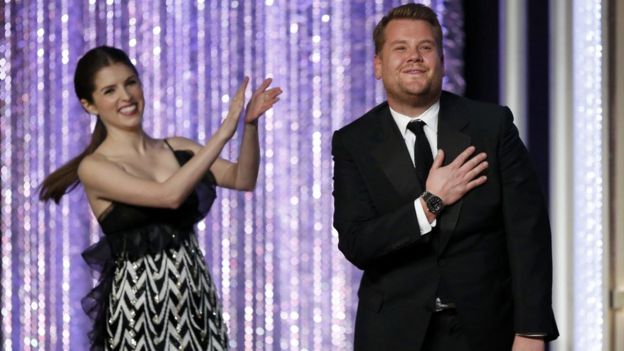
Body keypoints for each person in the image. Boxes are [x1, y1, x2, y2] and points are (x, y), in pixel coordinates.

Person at [331, 4, 558, 351]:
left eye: (425, 47)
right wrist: (429, 204)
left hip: (485, 332)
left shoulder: (491, 126)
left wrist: (532, 330)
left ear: (441, 58)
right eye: (400, 48)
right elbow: (357, 242)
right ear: (378, 65)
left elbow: (529, 234)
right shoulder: (353, 142)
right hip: (393, 335)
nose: (414, 57)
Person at [39, 46, 281, 350]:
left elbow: (242, 178)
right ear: (90, 105)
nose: (126, 96)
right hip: (137, 312)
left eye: (130, 82)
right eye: (110, 90)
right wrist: (223, 132)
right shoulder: (95, 167)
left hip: (195, 302)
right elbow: (169, 196)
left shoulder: (177, 148)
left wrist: (248, 125)